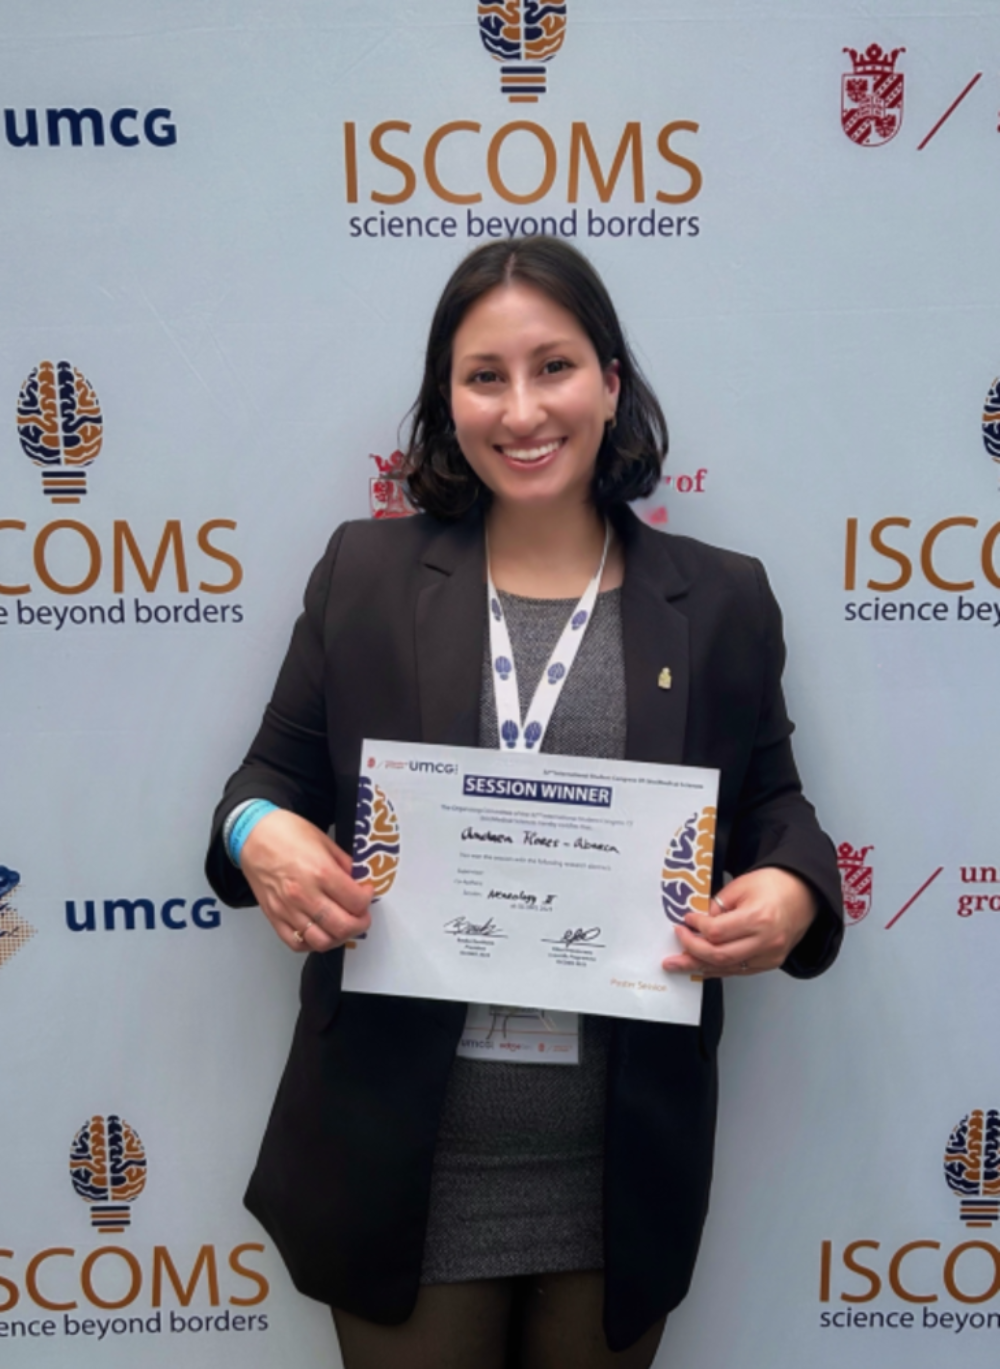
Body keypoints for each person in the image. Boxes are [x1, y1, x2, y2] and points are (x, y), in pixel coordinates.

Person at [206, 236, 843, 1369]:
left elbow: (773, 802)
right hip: (405, 1160)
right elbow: (261, 784)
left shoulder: (723, 599)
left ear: (609, 380)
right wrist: (264, 836)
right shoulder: (365, 575)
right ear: (445, 401)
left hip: (616, 1165)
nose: (521, 408)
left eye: (552, 366)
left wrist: (791, 887)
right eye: (483, 375)